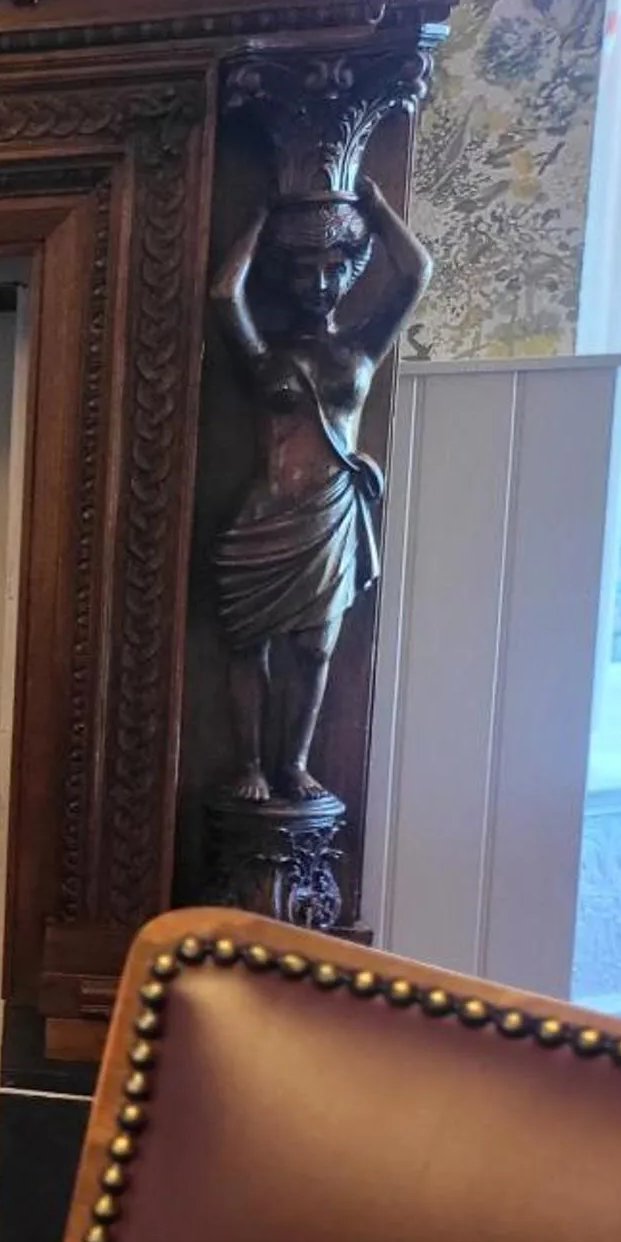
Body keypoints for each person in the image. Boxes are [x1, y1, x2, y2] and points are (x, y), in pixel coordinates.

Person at [208, 174, 429, 803]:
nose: (320, 284)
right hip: (266, 512)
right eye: (305, 270)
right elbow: (224, 294)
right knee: (248, 643)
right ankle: (251, 764)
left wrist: (375, 207)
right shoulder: (264, 355)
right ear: (284, 275)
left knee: (315, 649)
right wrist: (260, 214)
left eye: (334, 269)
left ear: (352, 272)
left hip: (329, 516)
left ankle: (296, 763)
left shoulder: (362, 348)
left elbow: (415, 274)